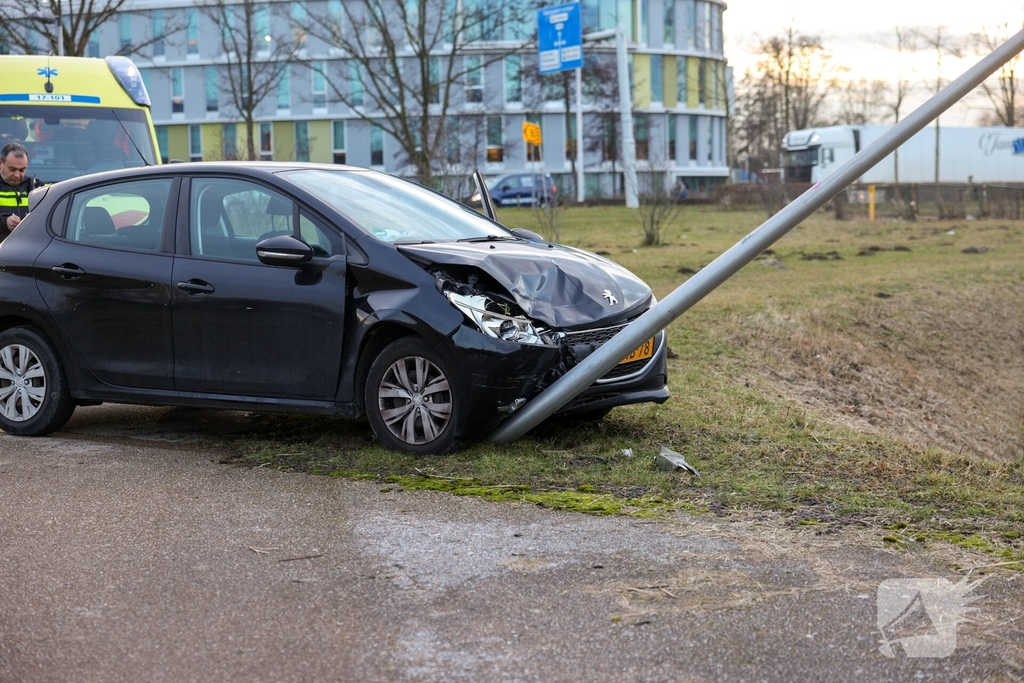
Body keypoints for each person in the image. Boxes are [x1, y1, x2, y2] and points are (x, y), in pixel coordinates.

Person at [0, 142, 42, 239]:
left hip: (28, 251)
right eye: (12, 169)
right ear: (1, 163)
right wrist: (4, 222)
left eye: (22, 170)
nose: (17, 175)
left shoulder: (36, 187)